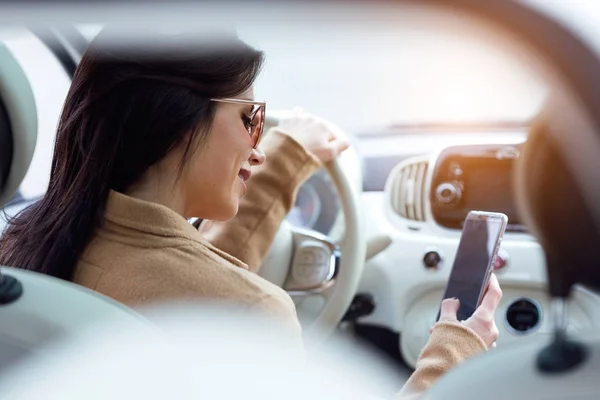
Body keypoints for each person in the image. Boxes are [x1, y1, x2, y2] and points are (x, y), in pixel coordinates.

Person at [0, 26, 501, 397]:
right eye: (250, 118)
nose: (257, 150)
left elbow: (186, 284)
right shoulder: (254, 313)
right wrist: (455, 351)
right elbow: (210, 294)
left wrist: (287, 161)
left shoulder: (20, 254)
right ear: (177, 121)